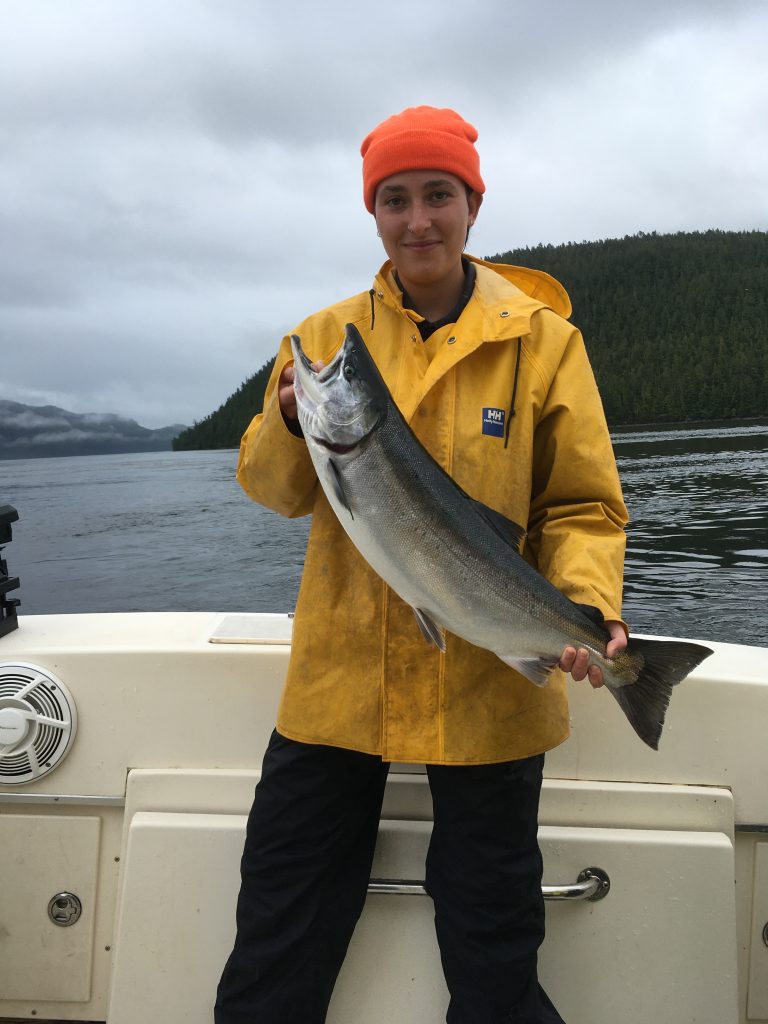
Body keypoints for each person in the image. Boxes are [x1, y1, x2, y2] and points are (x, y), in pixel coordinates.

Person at [215, 105, 628, 1024]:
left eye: (438, 195)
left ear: (473, 204)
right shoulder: (325, 341)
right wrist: (287, 421)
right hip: (338, 684)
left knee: (493, 947)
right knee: (276, 936)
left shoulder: (544, 343)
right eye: (394, 200)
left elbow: (583, 507)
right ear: (373, 214)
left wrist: (587, 611)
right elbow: (274, 489)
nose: (418, 220)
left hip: (492, 686)